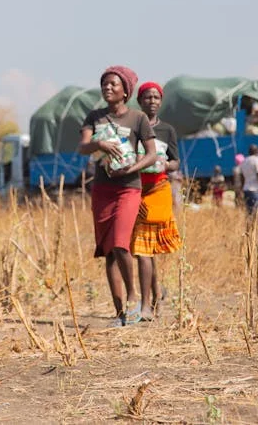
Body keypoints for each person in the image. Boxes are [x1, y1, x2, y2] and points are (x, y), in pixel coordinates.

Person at [79, 66, 157, 326]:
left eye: (113, 84)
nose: (108, 88)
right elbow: (82, 147)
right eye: (104, 84)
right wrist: (98, 144)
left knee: (121, 243)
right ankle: (120, 313)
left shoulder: (138, 119)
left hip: (128, 187)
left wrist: (132, 168)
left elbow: (152, 154)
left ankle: (134, 296)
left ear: (126, 90)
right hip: (102, 190)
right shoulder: (94, 116)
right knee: (109, 250)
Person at [130, 81, 182, 321]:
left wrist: (165, 164)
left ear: (160, 102)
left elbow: (176, 161)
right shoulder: (132, 127)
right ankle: (156, 295)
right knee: (145, 250)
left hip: (159, 190)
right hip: (135, 190)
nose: (152, 101)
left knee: (144, 249)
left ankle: (146, 306)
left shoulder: (167, 130)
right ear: (140, 101)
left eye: (156, 97)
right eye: (147, 97)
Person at [240, 144, 258, 215]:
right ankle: (255, 226)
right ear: (257, 151)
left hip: (246, 190)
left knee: (249, 213)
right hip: (255, 189)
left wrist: (242, 188)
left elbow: (242, 177)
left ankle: (249, 226)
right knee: (257, 213)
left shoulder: (244, 161)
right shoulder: (257, 160)